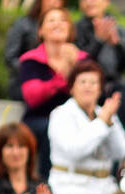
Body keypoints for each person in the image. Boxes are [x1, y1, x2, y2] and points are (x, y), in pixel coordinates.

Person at [47, 60, 125, 194]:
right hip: (71, 186)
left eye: (93, 83)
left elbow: (121, 151)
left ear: (100, 89)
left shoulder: (104, 113)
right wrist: (101, 123)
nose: (88, 87)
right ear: (72, 88)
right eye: (82, 82)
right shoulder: (61, 114)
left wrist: (109, 123)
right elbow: (75, 150)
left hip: (104, 186)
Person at [17, 6, 85, 179]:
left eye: (63, 20)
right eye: (51, 20)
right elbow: (32, 97)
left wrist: (75, 66)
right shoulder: (31, 60)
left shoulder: (83, 60)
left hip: (76, 118)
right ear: (40, 30)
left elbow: (93, 94)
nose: (58, 24)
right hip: (40, 119)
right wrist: (63, 76)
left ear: (70, 29)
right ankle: (49, 184)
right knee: (51, 128)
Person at [74, 0, 125, 128]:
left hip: (115, 88)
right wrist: (98, 41)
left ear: (106, 2)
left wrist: (118, 44)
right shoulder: (74, 31)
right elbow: (78, 65)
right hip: (86, 89)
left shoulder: (120, 31)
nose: (90, 2)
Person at [4, 0, 63, 88]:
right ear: (40, 31)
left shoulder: (64, 28)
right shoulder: (23, 24)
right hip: (24, 81)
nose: (55, 2)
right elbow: (10, 57)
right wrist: (32, 71)